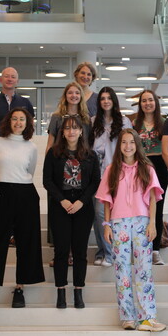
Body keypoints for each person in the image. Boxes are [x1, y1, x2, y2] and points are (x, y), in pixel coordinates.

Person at [96, 129, 166, 331]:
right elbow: (107, 200)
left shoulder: (147, 168)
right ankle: (128, 317)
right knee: (122, 271)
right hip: (119, 223)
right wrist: (107, 225)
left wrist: (152, 223)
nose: (128, 146)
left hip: (142, 222)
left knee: (144, 270)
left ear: (137, 145)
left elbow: (153, 198)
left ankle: (147, 318)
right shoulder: (112, 169)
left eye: (131, 142)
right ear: (120, 146)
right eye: (124, 142)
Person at [0, 107, 45, 308]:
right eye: (15, 119)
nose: (18, 122)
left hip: (26, 194)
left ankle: (20, 287)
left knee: (27, 242)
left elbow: (30, 171)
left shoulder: (31, 147)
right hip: (0, 193)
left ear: (27, 123)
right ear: (8, 121)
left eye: (22, 119)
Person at [43, 115, 101, 309]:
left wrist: (81, 202)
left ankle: (78, 291)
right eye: (67, 128)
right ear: (63, 132)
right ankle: (61, 291)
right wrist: (63, 200)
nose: (71, 131)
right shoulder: (53, 153)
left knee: (80, 252)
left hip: (82, 208)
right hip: (60, 206)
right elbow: (47, 181)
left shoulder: (90, 155)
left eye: (75, 128)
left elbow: (95, 182)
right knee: (60, 251)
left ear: (81, 131)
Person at [90, 86, 133, 267]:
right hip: (98, 176)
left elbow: (130, 148)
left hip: (119, 175)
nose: (106, 101)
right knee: (100, 216)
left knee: (117, 216)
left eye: (109, 98)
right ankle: (104, 252)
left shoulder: (124, 121)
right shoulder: (93, 121)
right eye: (102, 98)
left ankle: (115, 253)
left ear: (114, 101)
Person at [133, 90, 168, 265]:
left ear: (156, 102)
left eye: (150, 100)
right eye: (144, 100)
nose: (147, 103)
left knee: (158, 206)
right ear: (140, 104)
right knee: (140, 207)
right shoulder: (135, 124)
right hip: (140, 166)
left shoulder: (164, 123)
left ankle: (155, 250)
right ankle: (140, 246)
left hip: (159, 166)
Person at [0, 67, 34, 143]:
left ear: (17, 81)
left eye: (13, 77)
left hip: (20, 145)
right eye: (6, 76)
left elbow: (30, 126)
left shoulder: (25, 102)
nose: (10, 79)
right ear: (1, 80)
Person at [45, 82, 91, 153]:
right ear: (65, 96)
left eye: (77, 93)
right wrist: (47, 162)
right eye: (70, 93)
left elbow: (88, 143)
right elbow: (50, 144)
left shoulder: (86, 118)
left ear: (81, 96)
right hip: (60, 158)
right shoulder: (56, 117)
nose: (74, 95)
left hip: (81, 159)